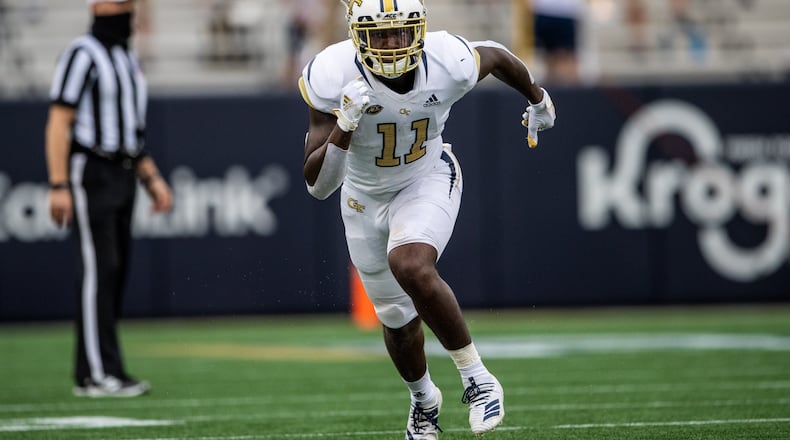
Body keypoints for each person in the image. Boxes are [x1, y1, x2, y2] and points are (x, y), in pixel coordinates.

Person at [298, 0, 555, 437]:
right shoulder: (331, 71)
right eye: (380, 34)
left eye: (401, 31)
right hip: (362, 198)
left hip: (427, 176)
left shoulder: (445, 59)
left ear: (418, 28)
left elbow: (493, 54)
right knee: (397, 321)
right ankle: (423, 400)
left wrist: (539, 99)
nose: (393, 43)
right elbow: (319, 184)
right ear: (357, 35)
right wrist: (344, 124)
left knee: (411, 263)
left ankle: (477, 377)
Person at [45, 0, 172, 398]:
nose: (128, 11)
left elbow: (131, 130)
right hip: (91, 170)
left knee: (115, 272)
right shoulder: (82, 53)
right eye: (121, 4)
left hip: (124, 170)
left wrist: (151, 177)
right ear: (98, 5)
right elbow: (59, 122)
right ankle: (99, 374)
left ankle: (96, 370)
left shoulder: (127, 57)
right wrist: (58, 183)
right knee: (101, 269)